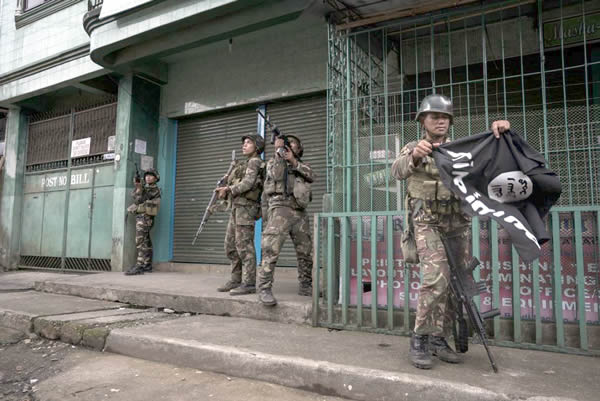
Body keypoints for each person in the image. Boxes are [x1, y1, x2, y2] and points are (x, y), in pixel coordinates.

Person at [391, 94, 510, 369]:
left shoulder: (461, 150)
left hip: (457, 224)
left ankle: (438, 338)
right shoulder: (413, 147)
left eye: (445, 117)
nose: (441, 121)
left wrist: (500, 136)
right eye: (435, 116)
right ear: (423, 120)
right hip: (427, 222)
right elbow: (397, 171)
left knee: (457, 285)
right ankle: (420, 339)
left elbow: (489, 161)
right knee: (435, 279)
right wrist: (415, 155)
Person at [257, 135, 314, 307]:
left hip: (300, 211)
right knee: (271, 249)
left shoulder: (303, 166)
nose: (290, 145)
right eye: (287, 143)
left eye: (293, 143)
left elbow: (312, 176)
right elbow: (275, 175)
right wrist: (279, 154)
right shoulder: (273, 162)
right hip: (280, 208)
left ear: (299, 149)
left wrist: (293, 161)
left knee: (305, 251)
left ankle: (306, 285)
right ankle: (264, 288)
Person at [215, 134, 265, 295]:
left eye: (248, 143)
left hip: (246, 208)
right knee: (230, 245)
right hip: (236, 207)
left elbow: (248, 183)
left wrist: (228, 189)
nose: (244, 145)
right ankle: (236, 279)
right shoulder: (243, 164)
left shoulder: (255, 162)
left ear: (257, 146)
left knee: (244, 246)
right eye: (244, 143)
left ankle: (249, 283)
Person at [125, 168, 161, 275]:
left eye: (151, 176)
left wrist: (141, 188)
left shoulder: (154, 189)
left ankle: (139, 265)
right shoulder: (145, 187)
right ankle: (147, 264)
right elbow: (135, 196)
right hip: (141, 217)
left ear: (156, 178)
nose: (148, 177)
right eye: (146, 176)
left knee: (139, 240)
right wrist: (138, 187)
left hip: (146, 218)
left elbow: (142, 199)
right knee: (145, 241)